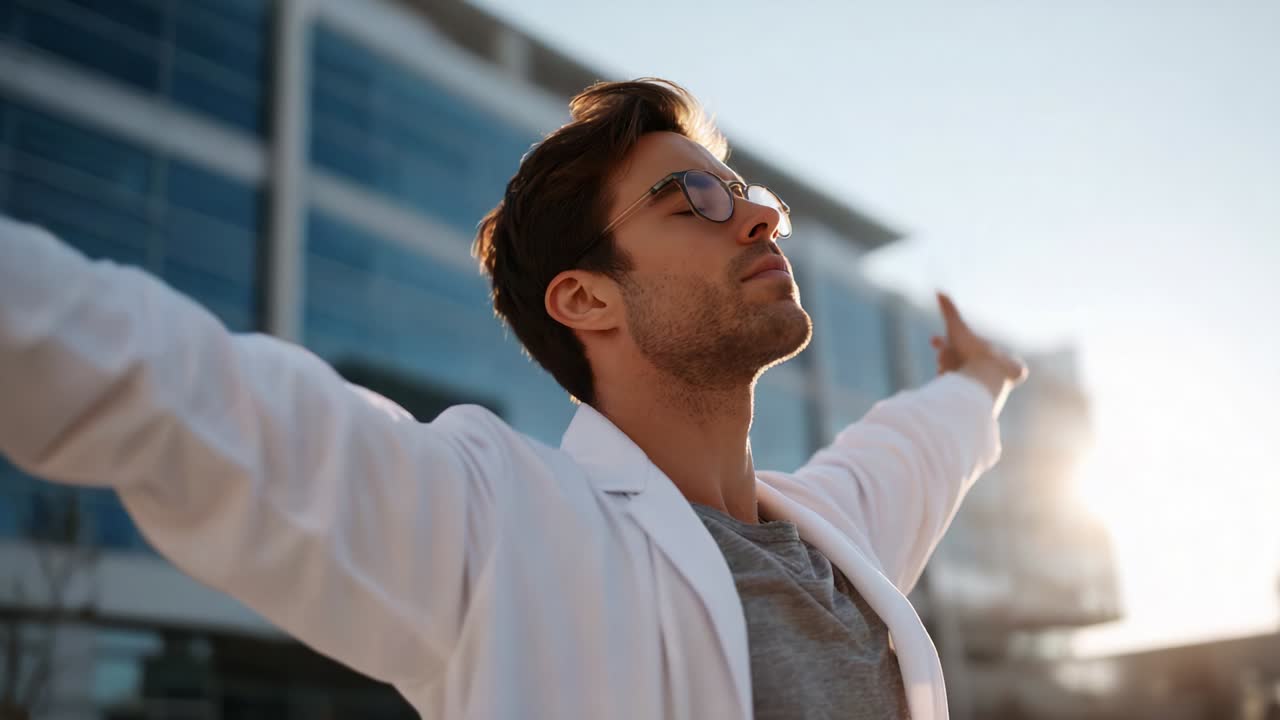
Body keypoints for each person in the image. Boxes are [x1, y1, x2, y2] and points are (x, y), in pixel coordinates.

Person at [0, 78, 1027, 720]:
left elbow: (921, 445)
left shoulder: (837, 534)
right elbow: (157, 376)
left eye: (753, 198)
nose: (756, 220)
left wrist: (978, 380)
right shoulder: (497, 525)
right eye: (693, 199)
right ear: (585, 297)